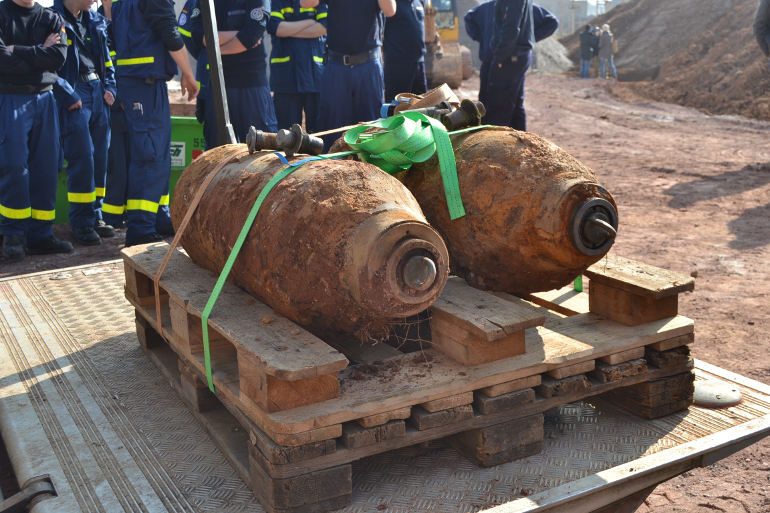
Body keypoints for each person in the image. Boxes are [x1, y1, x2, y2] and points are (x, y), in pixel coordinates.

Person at [104, 0, 198, 247]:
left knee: (157, 155)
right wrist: (188, 73)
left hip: (143, 84)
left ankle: (157, 216)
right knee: (151, 155)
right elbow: (170, 32)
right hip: (143, 84)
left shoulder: (123, 3)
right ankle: (141, 226)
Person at [0, 0, 71, 262]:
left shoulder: (50, 18)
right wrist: (41, 53)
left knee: (46, 167)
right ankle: (13, 235)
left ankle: (41, 235)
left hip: (45, 99)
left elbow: (59, 57)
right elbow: (2, 62)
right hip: (11, 100)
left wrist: (18, 50)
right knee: (14, 166)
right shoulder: (2, 14)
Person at [52, 0, 116, 246]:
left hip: (98, 90)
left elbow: (108, 60)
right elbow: (49, 63)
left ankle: (95, 215)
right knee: (83, 157)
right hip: (75, 94)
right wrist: (68, 94)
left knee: (100, 158)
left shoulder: (95, 21)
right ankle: (81, 221)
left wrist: (110, 86)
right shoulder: (52, 19)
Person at [299, 0, 397, 150]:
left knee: (369, 130)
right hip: (337, 66)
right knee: (333, 132)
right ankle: (332, 168)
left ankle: (368, 168)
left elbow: (390, 10)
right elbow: (305, 3)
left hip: (368, 65)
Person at [186, 0, 278, 145]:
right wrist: (238, 35)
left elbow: (252, 35)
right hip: (217, 86)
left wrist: (214, 49)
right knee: (217, 151)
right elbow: (198, 34)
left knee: (260, 149)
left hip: (250, 85)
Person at [267, 0, 328, 132]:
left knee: (319, 135)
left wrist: (289, 30)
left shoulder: (317, 1)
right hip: (286, 79)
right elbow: (275, 28)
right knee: (287, 137)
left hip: (316, 77)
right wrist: (309, 22)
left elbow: (323, 27)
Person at [476, 0, 533, 131]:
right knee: (515, 106)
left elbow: (511, 28)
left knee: (498, 105)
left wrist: (500, 56)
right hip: (517, 55)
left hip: (509, 57)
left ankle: (495, 146)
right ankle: (521, 144)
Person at [383, 0, 427, 102]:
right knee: (397, 107)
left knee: (422, 105)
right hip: (398, 65)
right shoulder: (392, 4)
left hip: (419, 64)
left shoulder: (418, 2)